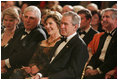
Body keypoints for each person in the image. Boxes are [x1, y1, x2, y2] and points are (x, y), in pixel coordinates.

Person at [32, 11, 89, 79]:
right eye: (61, 23)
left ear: (75, 27)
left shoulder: (80, 46)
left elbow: (73, 72)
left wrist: (50, 78)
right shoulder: (59, 42)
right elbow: (50, 63)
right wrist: (39, 74)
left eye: (65, 24)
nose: (61, 26)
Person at [1, 6, 47, 79]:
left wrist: (5, 63)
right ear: (22, 17)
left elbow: (25, 56)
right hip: (11, 66)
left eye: (31, 18)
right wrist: (2, 64)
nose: (27, 20)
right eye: (26, 17)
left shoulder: (39, 34)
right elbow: (10, 48)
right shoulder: (21, 29)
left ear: (38, 20)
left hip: (23, 70)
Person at [21, 11, 62, 78]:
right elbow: (33, 59)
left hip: (48, 74)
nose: (47, 26)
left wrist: (38, 68)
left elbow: (52, 62)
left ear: (58, 24)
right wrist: (31, 67)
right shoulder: (42, 42)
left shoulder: (61, 42)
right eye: (46, 24)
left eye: (50, 23)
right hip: (33, 72)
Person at [85, 8, 117, 79]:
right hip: (98, 67)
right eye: (103, 17)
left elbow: (114, 58)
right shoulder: (102, 36)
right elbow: (96, 55)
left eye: (107, 17)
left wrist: (97, 71)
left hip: (109, 70)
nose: (104, 20)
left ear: (116, 19)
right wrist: (89, 67)